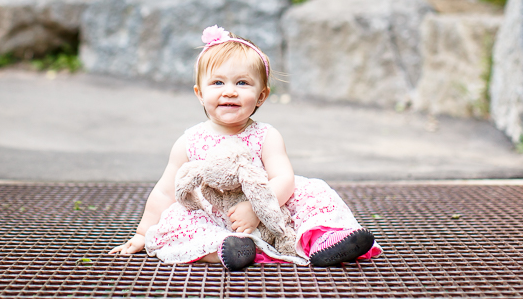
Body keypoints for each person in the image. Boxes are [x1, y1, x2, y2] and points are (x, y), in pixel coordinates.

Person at [109, 25, 381, 270]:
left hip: (268, 211)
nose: (229, 91)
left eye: (242, 83)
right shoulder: (188, 142)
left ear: (261, 95)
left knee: (313, 191)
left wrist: (255, 207)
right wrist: (143, 233)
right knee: (177, 219)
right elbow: (166, 190)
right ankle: (227, 249)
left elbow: (283, 178)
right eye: (217, 82)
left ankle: (324, 240)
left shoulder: (266, 135)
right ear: (200, 93)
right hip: (215, 219)